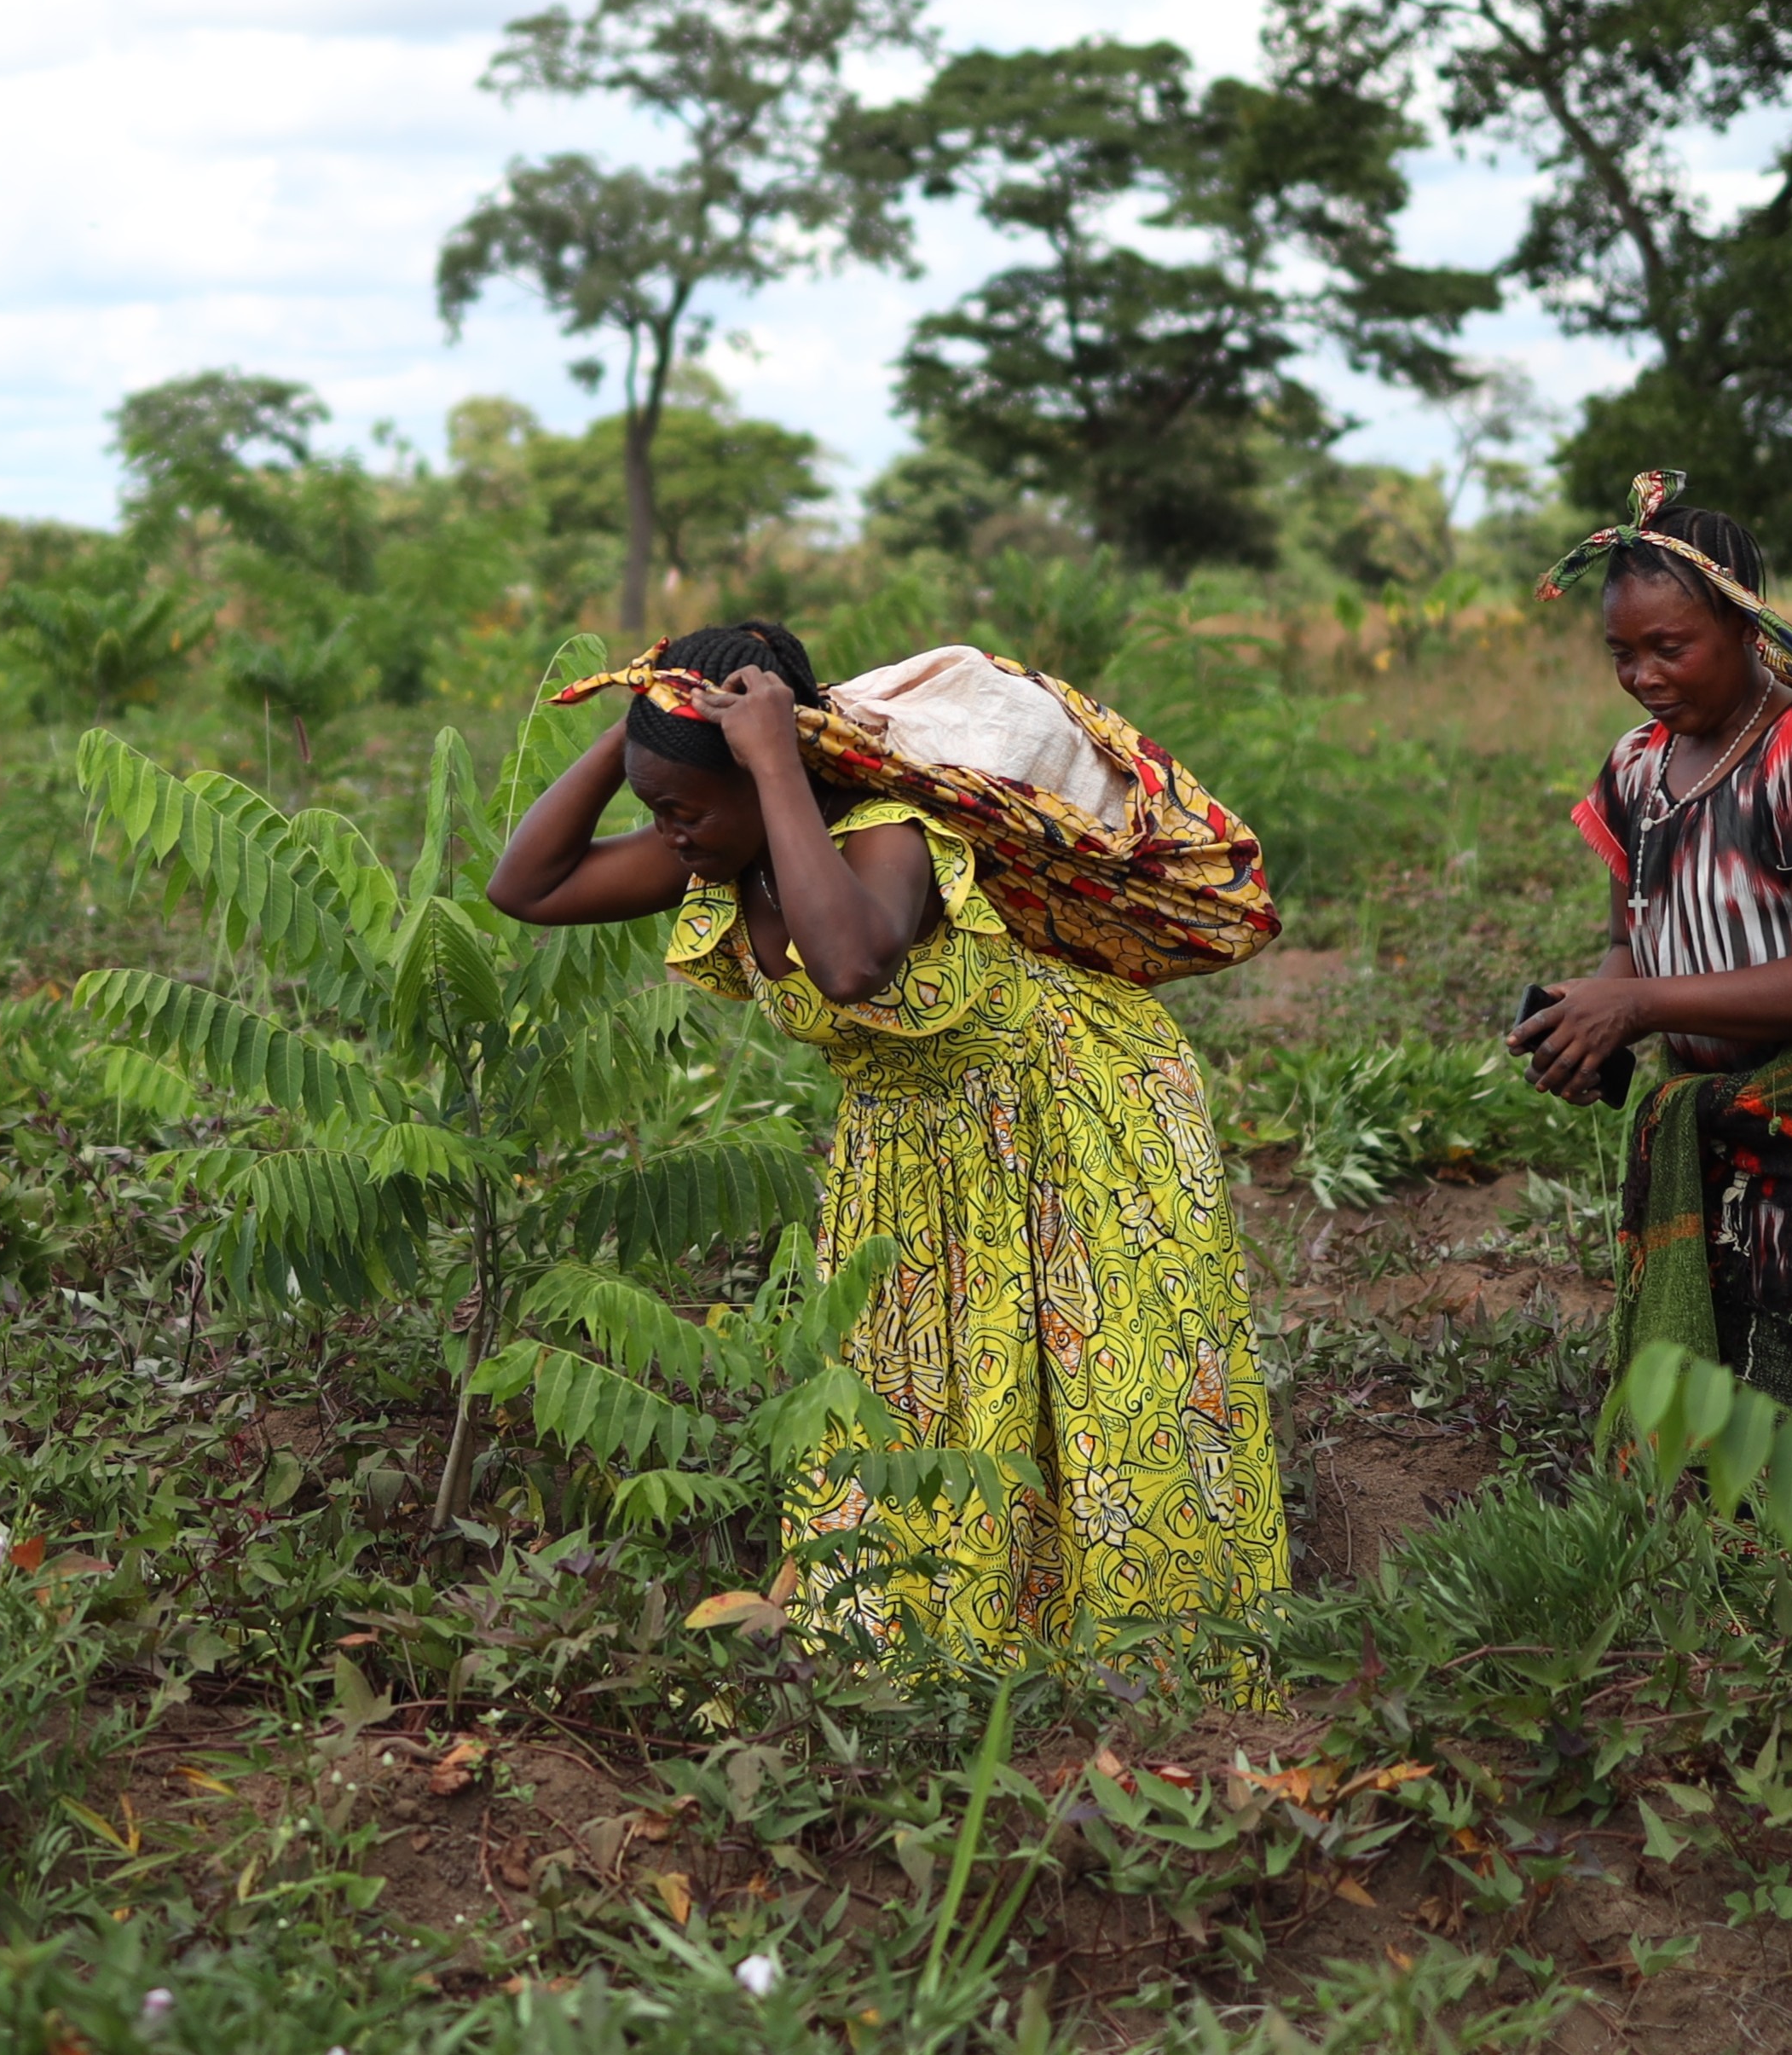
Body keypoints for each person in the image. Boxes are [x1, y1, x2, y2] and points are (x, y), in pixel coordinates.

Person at [483, 620, 1285, 1661]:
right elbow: (526, 889)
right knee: (932, 1391)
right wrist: (644, 722)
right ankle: (958, 1631)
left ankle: (1147, 1644)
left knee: (1098, 1377)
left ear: (767, 768)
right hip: (911, 1152)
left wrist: (774, 753)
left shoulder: (885, 829)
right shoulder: (721, 854)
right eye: (656, 814)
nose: (669, 833)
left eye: (681, 809)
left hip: (1074, 1111)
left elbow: (853, 961)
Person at [1506, 495, 1792, 1450]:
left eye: (1669, 647)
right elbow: (1635, 936)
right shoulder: (1639, 768)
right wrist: (1593, 1015)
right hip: (1725, 1135)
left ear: (1742, 619)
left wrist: (1639, 1003)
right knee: (1739, 1438)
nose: (1641, 676)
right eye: (1621, 654)